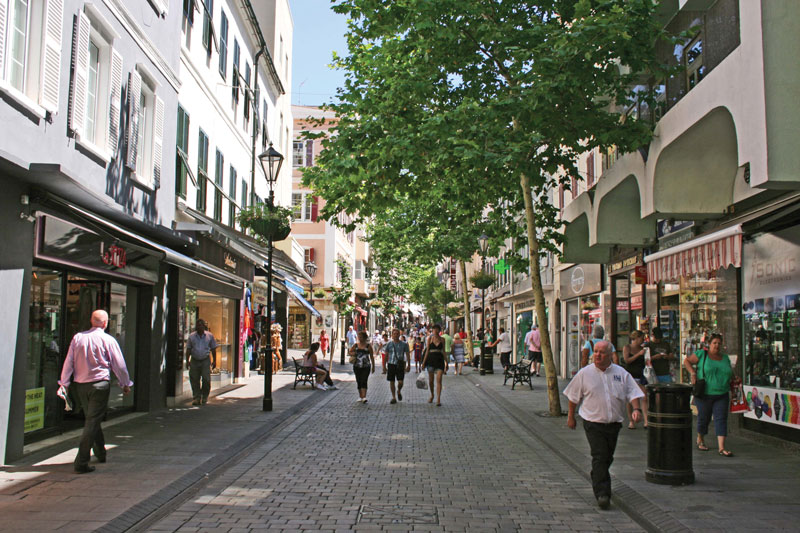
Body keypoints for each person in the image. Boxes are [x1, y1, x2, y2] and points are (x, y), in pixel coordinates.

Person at [565, 340, 644, 510]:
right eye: (595, 351)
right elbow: (573, 398)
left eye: (602, 352)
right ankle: (603, 493)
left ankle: (597, 474)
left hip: (613, 423)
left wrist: (636, 409)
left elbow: (633, 391)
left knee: (607, 457)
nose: (597, 355)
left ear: (610, 355)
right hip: (593, 422)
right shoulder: (585, 373)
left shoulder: (620, 373)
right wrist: (571, 416)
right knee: (600, 456)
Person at [58, 310, 132, 473]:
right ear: (106, 323)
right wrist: (125, 383)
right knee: (92, 420)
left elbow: (69, 361)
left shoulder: (78, 338)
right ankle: (81, 461)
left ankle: (101, 452)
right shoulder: (108, 340)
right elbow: (119, 365)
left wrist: (64, 382)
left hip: (80, 385)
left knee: (92, 418)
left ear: (92, 321)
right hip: (99, 385)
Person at [683, 333, 734, 457]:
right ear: (709, 344)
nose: (717, 345)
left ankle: (721, 447)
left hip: (722, 393)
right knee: (704, 417)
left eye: (719, 343)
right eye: (714, 343)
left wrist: (734, 379)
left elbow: (729, 373)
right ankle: (700, 437)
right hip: (704, 393)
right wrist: (693, 373)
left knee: (721, 419)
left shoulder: (725, 358)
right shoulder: (702, 354)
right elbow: (687, 361)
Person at [186, 319, 219, 406]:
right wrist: (187, 361)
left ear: (204, 326)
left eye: (201, 325)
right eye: (198, 325)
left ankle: (204, 396)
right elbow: (188, 349)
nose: (199, 327)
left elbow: (213, 349)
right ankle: (196, 397)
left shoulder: (209, 336)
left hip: (205, 360)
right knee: (194, 379)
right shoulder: (191, 336)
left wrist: (215, 360)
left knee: (206, 379)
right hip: (194, 360)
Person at [622, 330, 649, 429]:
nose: (643, 340)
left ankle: (646, 420)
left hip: (641, 376)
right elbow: (627, 361)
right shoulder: (627, 347)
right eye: (641, 338)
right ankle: (631, 421)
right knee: (630, 399)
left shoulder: (643, 348)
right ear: (636, 338)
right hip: (630, 376)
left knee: (644, 397)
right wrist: (638, 354)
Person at [421, 324, 448, 406]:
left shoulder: (442, 339)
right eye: (434, 329)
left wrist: (446, 362)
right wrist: (423, 363)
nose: (435, 331)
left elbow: (443, 351)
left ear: (439, 331)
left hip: (439, 360)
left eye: (437, 329)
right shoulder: (429, 339)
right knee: (431, 381)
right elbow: (427, 351)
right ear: (432, 330)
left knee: (439, 380)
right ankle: (432, 395)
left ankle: (438, 399)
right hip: (431, 360)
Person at [383, 328, 410, 404]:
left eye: (397, 334)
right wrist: (384, 366)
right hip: (391, 364)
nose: (395, 335)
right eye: (394, 334)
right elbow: (386, 355)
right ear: (392, 335)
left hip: (400, 364)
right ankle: (394, 397)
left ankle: (399, 390)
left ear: (399, 334)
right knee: (392, 381)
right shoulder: (389, 344)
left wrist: (408, 365)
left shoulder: (404, 344)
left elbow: (407, 354)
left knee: (400, 381)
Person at [350, 331, 375, 402]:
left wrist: (373, 366)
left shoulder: (368, 346)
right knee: (358, 380)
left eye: (361, 337)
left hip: (366, 366)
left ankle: (364, 397)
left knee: (364, 380)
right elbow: (350, 351)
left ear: (365, 338)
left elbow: (371, 356)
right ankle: (360, 396)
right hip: (357, 365)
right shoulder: (356, 345)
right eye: (359, 337)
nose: (360, 338)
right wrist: (353, 353)